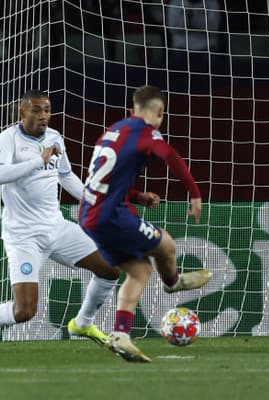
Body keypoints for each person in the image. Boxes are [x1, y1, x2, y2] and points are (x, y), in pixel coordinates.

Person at [0, 90, 121, 354]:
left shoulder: (54, 138)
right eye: (37, 110)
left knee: (110, 269)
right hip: (24, 236)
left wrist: (96, 200)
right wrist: (36, 161)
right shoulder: (8, 139)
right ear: (23, 113)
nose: (43, 116)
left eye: (47, 110)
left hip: (58, 228)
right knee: (25, 310)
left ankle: (83, 323)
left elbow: (66, 176)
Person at [79, 85, 212, 362]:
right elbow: (170, 156)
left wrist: (138, 196)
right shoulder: (146, 131)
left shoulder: (111, 132)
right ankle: (173, 282)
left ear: (131, 111)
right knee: (165, 243)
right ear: (160, 113)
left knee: (139, 270)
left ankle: (120, 334)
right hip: (111, 215)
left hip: (88, 214)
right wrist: (195, 193)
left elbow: (104, 182)